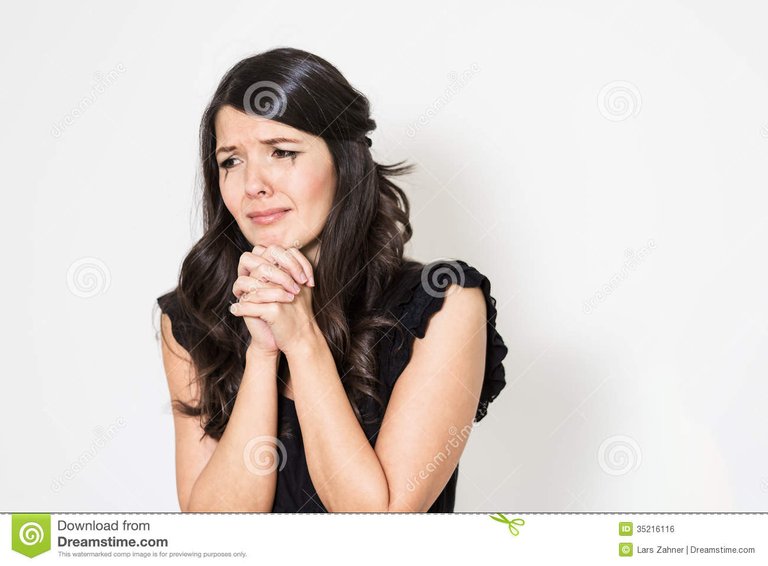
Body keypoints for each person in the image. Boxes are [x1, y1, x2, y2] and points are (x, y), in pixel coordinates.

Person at [156, 47, 509, 512]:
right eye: (231, 161)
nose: (252, 185)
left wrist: (302, 341)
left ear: (344, 162)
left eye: (281, 152)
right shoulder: (192, 317)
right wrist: (261, 352)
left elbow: (379, 525)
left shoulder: (444, 304)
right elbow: (215, 532)